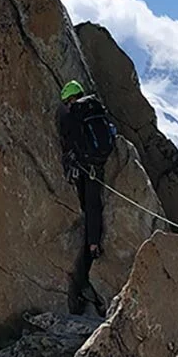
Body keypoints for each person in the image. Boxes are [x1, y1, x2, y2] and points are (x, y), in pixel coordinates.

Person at [56, 79, 117, 311]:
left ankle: (91, 247)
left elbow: (69, 139)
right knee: (94, 206)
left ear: (69, 99)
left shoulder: (73, 114)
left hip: (84, 165)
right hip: (99, 164)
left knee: (88, 206)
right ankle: (93, 243)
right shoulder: (96, 107)